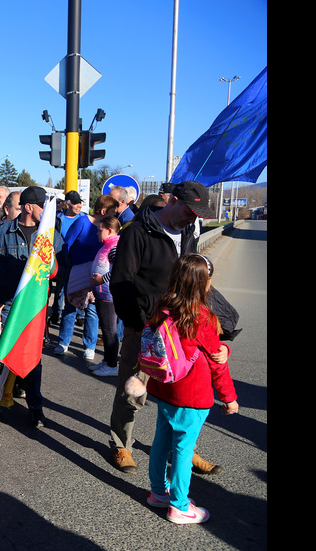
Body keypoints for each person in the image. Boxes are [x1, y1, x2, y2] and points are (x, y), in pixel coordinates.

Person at [107, 180, 221, 476]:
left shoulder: (187, 232)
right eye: (189, 210)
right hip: (145, 327)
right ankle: (122, 445)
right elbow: (121, 283)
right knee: (133, 388)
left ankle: (184, 449)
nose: (193, 217)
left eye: (198, 214)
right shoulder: (137, 232)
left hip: (180, 327)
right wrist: (139, 325)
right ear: (172, 201)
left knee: (183, 395)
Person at [142, 254, 238, 524]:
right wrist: (229, 398)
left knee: (161, 441)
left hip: (164, 388)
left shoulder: (164, 306)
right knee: (184, 449)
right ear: (203, 283)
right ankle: (179, 505)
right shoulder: (203, 317)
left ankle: (159, 492)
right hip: (192, 395)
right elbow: (216, 362)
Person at [0, 188, 65, 428]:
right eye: (41, 206)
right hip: (5, 307)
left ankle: (35, 408)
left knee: (33, 361)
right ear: (29, 207)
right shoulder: (1, 234)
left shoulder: (50, 235)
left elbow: (58, 271)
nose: (46, 211)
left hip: (34, 309)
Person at [54, 194, 118, 361]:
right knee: (70, 306)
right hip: (76, 271)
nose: (115, 215)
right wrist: (69, 266)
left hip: (96, 275)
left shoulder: (108, 228)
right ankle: (63, 342)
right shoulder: (82, 222)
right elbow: (66, 244)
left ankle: (89, 346)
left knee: (92, 310)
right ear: (103, 210)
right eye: (112, 212)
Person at [88, 215, 122, 377]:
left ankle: (111, 365)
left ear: (109, 231)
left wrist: (102, 279)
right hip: (102, 292)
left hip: (109, 294)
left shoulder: (115, 246)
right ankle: (107, 360)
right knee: (106, 328)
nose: (97, 233)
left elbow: (118, 270)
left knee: (109, 331)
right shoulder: (109, 244)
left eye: (100, 230)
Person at [50, 190, 84, 325]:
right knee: (60, 288)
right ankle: (56, 312)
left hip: (77, 261)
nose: (79, 206)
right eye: (76, 204)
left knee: (79, 287)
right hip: (61, 258)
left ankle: (80, 314)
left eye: (80, 203)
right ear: (68, 205)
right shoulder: (58, 218)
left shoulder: (84, 218)